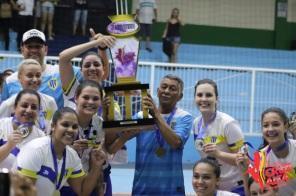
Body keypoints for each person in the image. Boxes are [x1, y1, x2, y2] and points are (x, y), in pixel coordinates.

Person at [117, 74, 193, 195]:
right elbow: (119, 135)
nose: (167, 91)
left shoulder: (185, 117)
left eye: (173, 89)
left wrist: (156, 114)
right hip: (142, 189)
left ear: (180, 96)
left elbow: (176, 142)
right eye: (164, 87)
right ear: (158, 92)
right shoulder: (142, 116)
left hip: (171, 190)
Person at [16, 107, 107, 196]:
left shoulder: (72, 156)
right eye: (65, 125)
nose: (71, 130)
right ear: (53, 126)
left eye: (74, 127)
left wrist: (96, 166)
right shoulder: (36, 150)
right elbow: (22, 192)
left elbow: (83, 190)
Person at [1, 28, 82, 108]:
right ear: (22, 50)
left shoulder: (60, 72)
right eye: (29, 47)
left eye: (38, 46)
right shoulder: (10, 81)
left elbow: (88, 73)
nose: (33, 50)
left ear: (46, 49)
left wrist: (94, 44)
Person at [193, 79, 245, 194]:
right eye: (199, 95)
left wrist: (219, 154)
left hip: (235, 188)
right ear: (195, 98)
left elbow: (244, 161)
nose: (204, 99)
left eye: (209, 95)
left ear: (217, 99)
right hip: (213, 188)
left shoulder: (228, 123)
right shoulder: (196, 123)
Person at [0, 59, 58, 133]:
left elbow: (51, 124)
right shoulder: (9, 104)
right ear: (19, 77)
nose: (35, 79)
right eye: (30, 75)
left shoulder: (50, 102)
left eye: (38, 75)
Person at [0, 89, 45, 170]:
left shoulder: (41, 137)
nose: (29, 110)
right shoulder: (1, 125)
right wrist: (8, 146)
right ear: (14, 107)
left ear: (38, 111)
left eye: (34, 107)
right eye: (24, 105)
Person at [256, 107, 296, 195]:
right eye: (266, 125)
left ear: (285, 127)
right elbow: (258, 191)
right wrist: (243, 171)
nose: (270, 129)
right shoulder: (260, 157)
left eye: (276, 124)